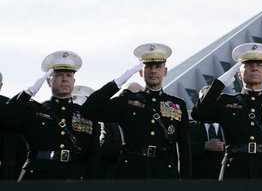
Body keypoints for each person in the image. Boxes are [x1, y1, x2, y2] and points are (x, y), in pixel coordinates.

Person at [81, 43, 191, 179]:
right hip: (132, 171)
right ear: (141, 72)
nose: (153, 71)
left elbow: (184, 150)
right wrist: (117, 82)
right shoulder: (127, 102)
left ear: (165, 71)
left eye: (158, 67)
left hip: (165, 172)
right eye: (149, 67)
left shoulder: (178, 105)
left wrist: (186, 182)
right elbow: (88, 110)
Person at [192, 43, 262, 180]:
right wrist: (220, 83)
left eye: (259, 65)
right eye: (248, 65)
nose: (254, 68)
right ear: (239, 74)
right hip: (234, 171)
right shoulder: (226, 102)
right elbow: (199, 113)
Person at [0, 51, 100, 181]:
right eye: (59, 75)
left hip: (74, 178)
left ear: (74, 81)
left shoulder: (86, 115)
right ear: (48, 81)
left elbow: (94, 156)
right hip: (38, 177)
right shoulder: (34, 110)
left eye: (68, 76)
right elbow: (6, 118)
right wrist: (28, 92)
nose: (64, 79)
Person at [189, 86, 225, 179]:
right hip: (197, 179)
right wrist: (204, 146)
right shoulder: (188, 127)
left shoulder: (230, 126)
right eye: (204, 99)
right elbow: (181, 148)